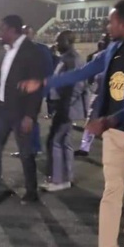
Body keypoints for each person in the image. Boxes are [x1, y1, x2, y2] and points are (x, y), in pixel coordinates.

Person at [19, 0, 124, 247]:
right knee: (111, 192)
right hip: (114, 135)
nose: (107, 25)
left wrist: (109, 120)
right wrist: (44, 83)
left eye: (111, 21)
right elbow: (82, 72)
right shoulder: (113, 49)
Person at [0, 15, 45, 208]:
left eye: (2, 29)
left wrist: (30, 116)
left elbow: (36, 86)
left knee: (26, 154)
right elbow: (1, 79)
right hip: (1, 110)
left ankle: (31, 192)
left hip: (21, 113)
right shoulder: (8, 51)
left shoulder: (31, 51)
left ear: (12, 30)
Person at [41, 30, 85, 192]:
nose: (56, 44)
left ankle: (58, 180)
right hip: (64, 106)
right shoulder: (66, 58)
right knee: (64, 142)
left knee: (55, 141)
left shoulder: (73, 59)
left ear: (68, 41)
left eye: (59, 41)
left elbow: (78, 84)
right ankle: (67, 178)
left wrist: (66, 105)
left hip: (66, 107)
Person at [10, 25, 54, 157]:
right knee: (19, 119)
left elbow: (48, 69)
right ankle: (26, 148)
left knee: (31, 118)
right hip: (19, 90)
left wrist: (43, 88)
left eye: (26, 33)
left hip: (34, 90)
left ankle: (34, 147)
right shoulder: (16, 49)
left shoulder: (41, 49)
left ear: (32, 35)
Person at [75, 33, 111, 157]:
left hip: (110, 94)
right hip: (102, 94)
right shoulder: (99, 56)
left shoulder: (115, 55)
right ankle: (84, 148)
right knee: (92, 120)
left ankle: (85, 148)